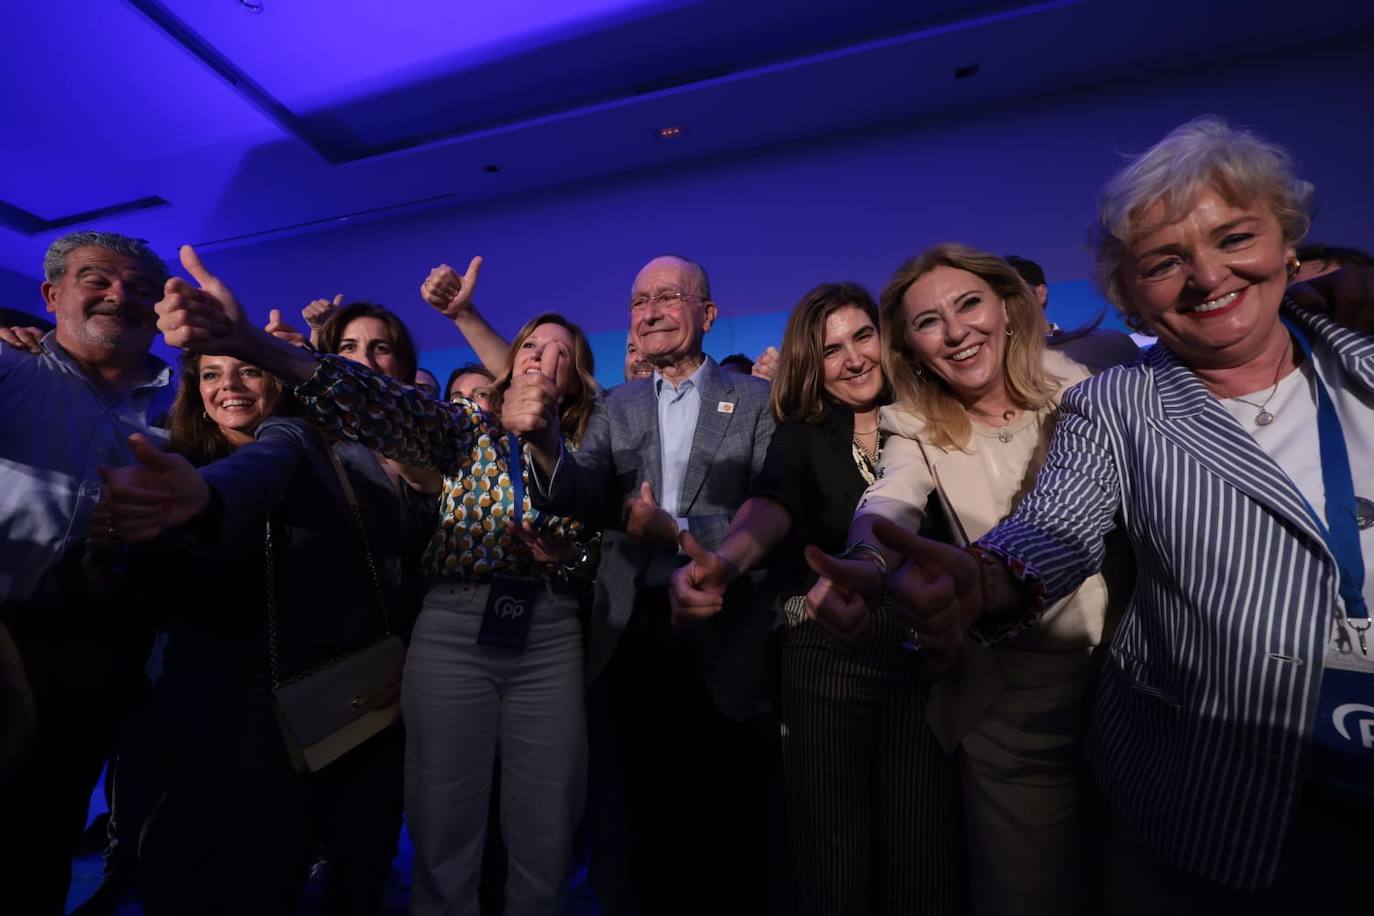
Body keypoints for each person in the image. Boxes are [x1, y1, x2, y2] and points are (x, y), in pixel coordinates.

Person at [867, 117, 1374, 915]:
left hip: (1119, 693)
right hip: (1142, 749)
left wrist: (1325, 299)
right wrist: (971, 577)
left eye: (1236, 237)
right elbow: (1050, 525)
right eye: (1166, 262)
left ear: (1288, 244)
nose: (1207, 276)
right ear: (1130, 288)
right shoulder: (1111, 402)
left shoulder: (1092, 365)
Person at [154, 245, 600, 915]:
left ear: (579, 379)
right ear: (508, 363)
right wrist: (246, 340)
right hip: (452, 631)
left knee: (546, 819)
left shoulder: (599, 443)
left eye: (560, 353)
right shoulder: (459, 429)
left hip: (548, 635)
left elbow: (594, 532)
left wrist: (566, 544)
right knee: (443, 820)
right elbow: (368, 398)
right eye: (531, 346)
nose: (541, 358)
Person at [808, 244, 1133, 916]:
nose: (955, 332)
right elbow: (890, 500)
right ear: (913, 349)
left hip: (1141, 691)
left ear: (1008, 308)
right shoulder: (915, 424)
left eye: (968, 304)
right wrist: (865, 564)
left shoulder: (1098, 368)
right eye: (928, 323)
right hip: (1015, 711)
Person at [669, 282, 960, 915]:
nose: (854, 358)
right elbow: (771, 506)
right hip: (824, 648)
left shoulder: (932, 420)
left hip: (922, 652)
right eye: (832, 350)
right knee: (832, 843)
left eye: (863, 336)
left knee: (922, 839)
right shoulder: (802, 437)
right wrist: (726, 558)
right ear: (811, 364)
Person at [506, 254, 777, 916]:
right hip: (632, 630)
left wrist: (675, 527)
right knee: (640, 817)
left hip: (725, 621)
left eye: (667, 297)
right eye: (638, 301)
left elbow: (770, 509)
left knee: (727, 818)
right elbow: (584, 494)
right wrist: (545, 442)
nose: (650, 311)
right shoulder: (618, 405)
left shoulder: (759, 401)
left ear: (707, 315)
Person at [0, 230, 174, 915]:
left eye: (138, 288)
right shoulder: (12, 369)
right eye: (96, 279)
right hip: (3, 632)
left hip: (96, 648)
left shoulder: (182, 403)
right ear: (52, 295)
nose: (118, 296)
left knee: (43, 834)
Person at [1006, 253, 1141, 371]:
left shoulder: (1105, 345)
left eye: (1010, 291)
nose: (1003, 302)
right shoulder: (998, 365)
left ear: (1040, 293)